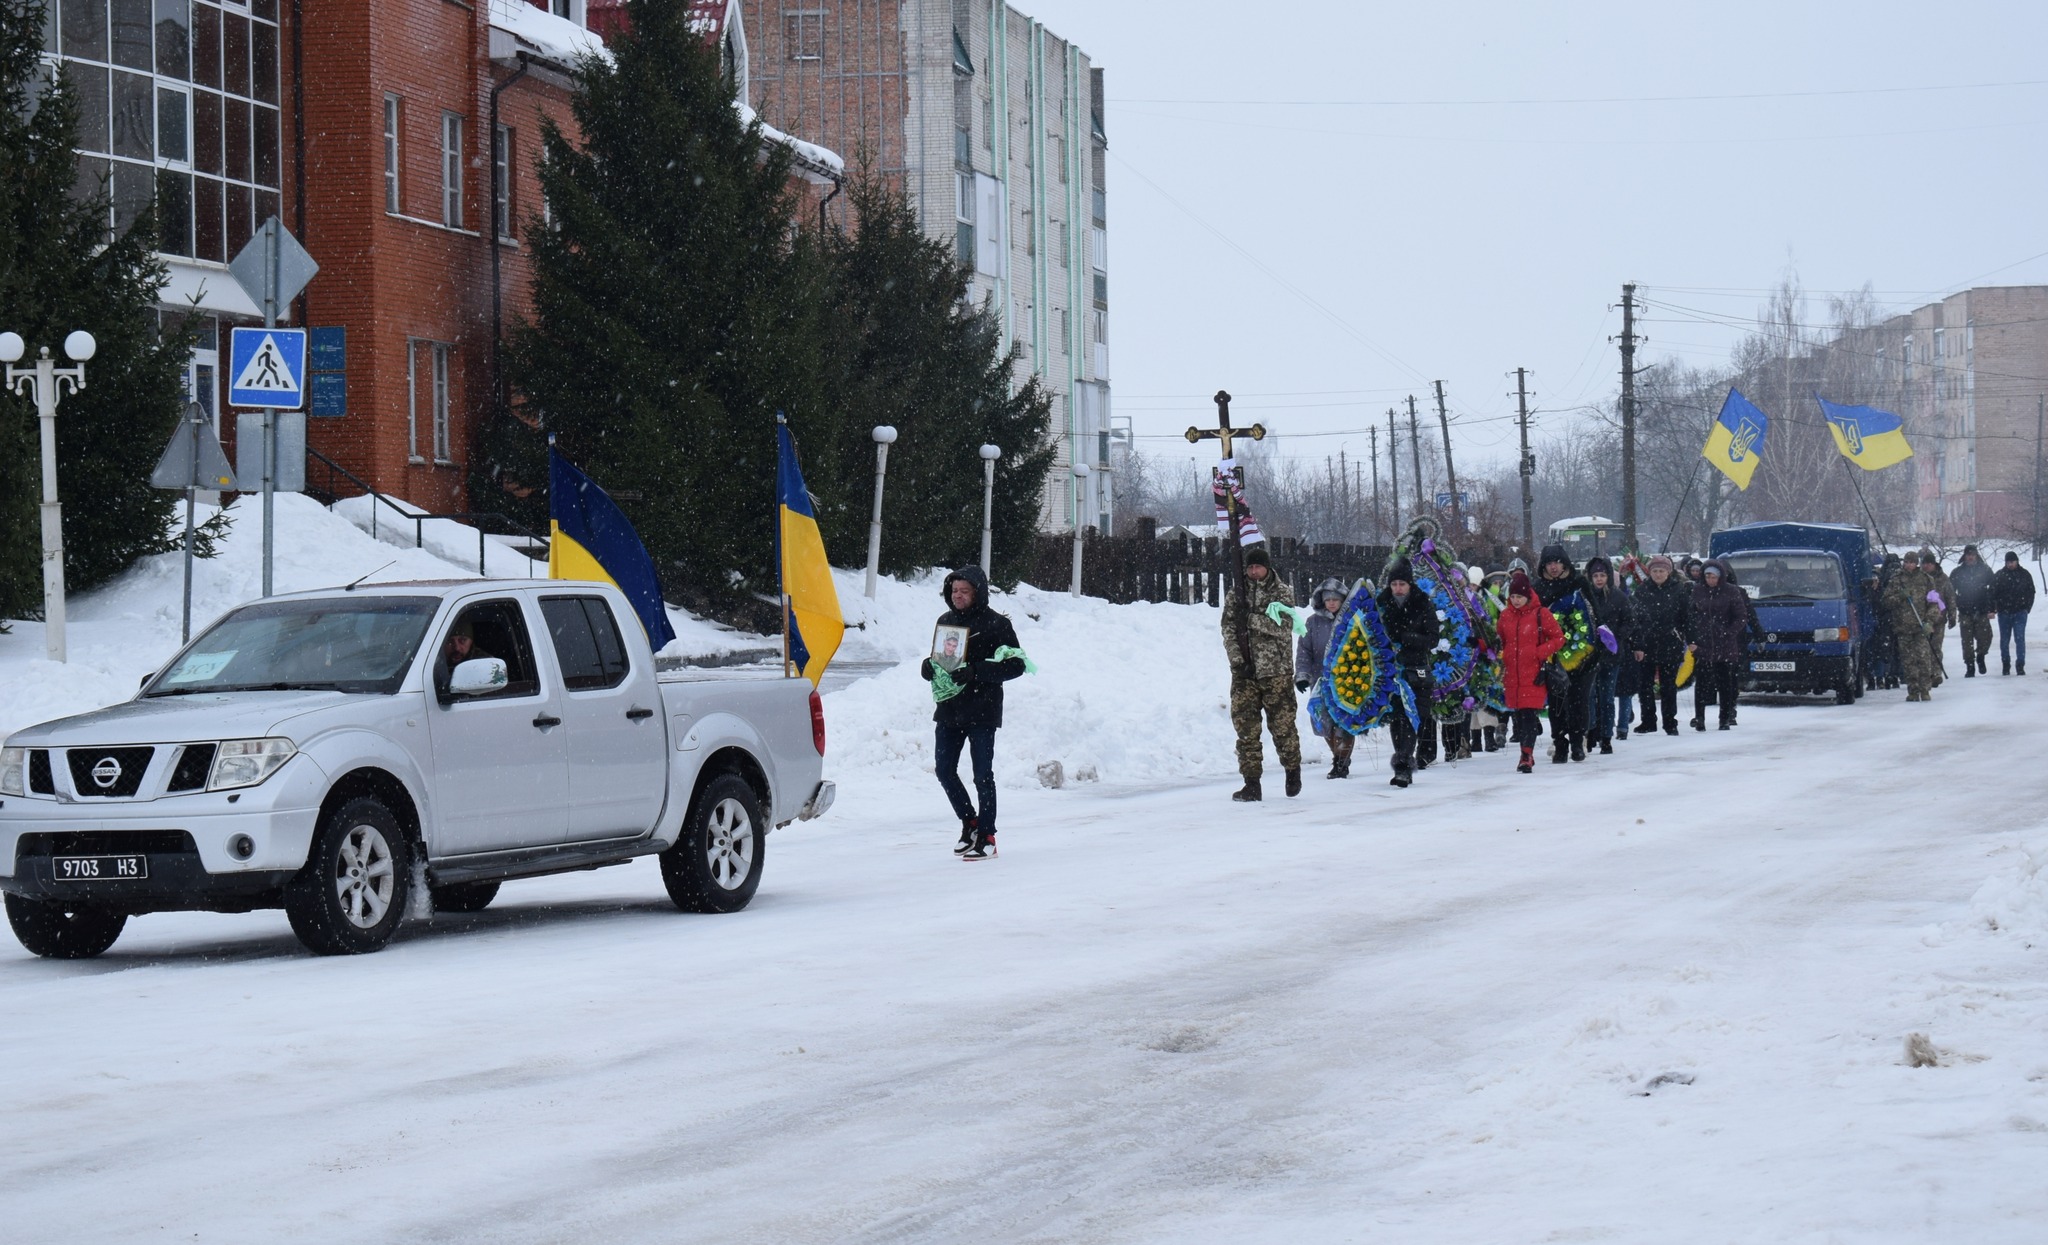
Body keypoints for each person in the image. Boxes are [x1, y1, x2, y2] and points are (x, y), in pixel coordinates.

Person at [918, 565, 1027, 859]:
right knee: (944, 770)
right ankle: (970, 823)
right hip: (949, 709)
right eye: (954, 591)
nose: (958, 596)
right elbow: (943, 660)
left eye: (964, 591)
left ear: (978, 591)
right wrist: (928, 667)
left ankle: (988, 836)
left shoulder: (997, 625)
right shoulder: (946, 621)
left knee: (982, 775)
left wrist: (977, 671)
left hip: (983, 710)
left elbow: (1016, 665)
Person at [1223, 546, 1302, 802]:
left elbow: (1284, 626)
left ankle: (1292, 769)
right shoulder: (1237, 593)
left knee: (1282, 726)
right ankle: (1251, 783)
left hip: (1275, 671)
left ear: (1267, 567)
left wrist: (1252, 620)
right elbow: (1228, 629)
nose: (1254, 572)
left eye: (1258, 567)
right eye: (1250, 567)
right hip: (1245, 674)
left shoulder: (1281, 593)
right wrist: (1238, 662)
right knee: (1246, 729)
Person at [1377, 558, 1440, 788]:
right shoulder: (1382, 604)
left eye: (1402, 584)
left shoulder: (1422, 604)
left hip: (1416, 671)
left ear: (1410, 584)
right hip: (1392, 671)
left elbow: (1433, 638)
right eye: (1394, 584)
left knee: (1412, 718)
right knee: (1397, 718)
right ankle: (1402, 763)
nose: (1398, 589)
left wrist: (1409, 638)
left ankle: (1404, 763)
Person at [1496, 569, 1565, 774]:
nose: (1516, 601)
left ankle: (1526, 755)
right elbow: (1500, 640)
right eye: (1513, 596)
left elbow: (1558, 638)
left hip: (1533, 673)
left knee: (1527, 715)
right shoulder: (1505, 616)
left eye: (1520, 596)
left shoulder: (1540, 614)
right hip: (1512, 675)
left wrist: (1539, 652)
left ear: (1528, 596)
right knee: (1519, 716)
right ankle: (1526, 753)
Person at [1533, 544, 1593, 763]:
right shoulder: (1538, 588)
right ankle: (1560, 743)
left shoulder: (1578, 584)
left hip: (1582, 653)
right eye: (1549, 563)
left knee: (1578, 701)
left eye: (1557, 562)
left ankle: (1578, 743)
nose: (1554, 567)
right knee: (1557, 703)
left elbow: (1592, 615)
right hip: (1552, 655)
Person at [1297, 578, 1354, 778]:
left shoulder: (1352, 620)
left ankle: (1341, 762)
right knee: (1323, 721)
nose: (1331, 603)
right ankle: (1338, 754)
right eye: (1327, 599)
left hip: (1348, 680)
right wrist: (1302, 675)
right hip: (1320, 680)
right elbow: (1304, 651)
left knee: (1344, 722)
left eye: (1335, 599)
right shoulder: (1312, 623)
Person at [1631, 555, 1690, 735]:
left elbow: (1687, 617)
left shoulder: (1679, 590)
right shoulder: (1642, 591)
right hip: (1646, 644)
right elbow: (1636, 620)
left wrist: (1687, 637)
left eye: (1661, 571)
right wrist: (1637, 644)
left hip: (1670, 643)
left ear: (1668, 572)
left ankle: (1670, 722)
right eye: (1655, 571)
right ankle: (1648, 720)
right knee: (1645, 686)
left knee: (1668, 686)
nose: (1658, 574)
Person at [1582, 556, 1633, 755]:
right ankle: (1592, 730)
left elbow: (1629, 621)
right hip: (1590, 655)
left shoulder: (1618, 597)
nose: (1599, 579)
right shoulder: (1585, 597)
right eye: (1595, 575)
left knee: (1607, 697)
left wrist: (1616, 637)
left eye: (1603, 575)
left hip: (1611, 655)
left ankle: (1606, 736)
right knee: (1590, 696)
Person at [1689, 559, 1748, 730]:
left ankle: (1725, 717)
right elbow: (1690, 615)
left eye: (1714, 576)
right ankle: (1700, 718)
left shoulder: (1731, 591)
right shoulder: (1698, 590)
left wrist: (1729, 632)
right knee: (1701, 683)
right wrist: (1692, 638)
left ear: (1721, 576)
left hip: (1725, 644)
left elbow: (1741, 616)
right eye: (1707, 576)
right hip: (1703, 644)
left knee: (1725, 683)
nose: (1710, 580)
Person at [1881, 550, 1944, 701]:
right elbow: (1886, 601)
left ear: (1917, 564)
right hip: (1903, 627)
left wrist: (1929, 621)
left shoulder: (1926, 580)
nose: (1909, 565)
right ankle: (1913, 690)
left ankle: (1925, 689)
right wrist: (1900, 597)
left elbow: (1934, 603)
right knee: (1908, 661)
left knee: (1923, 659)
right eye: (1907, 562)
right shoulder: (1897, 580)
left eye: (1912, 562)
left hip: (1921, 627)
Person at [1949, 545, 1995, 677]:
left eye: (1972, 554)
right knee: (1967, 641)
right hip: (1965, 610)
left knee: (1985, 637)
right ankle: (1970, 665)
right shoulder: (1957, 572)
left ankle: (1981, 655)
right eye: (1968, 555)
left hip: (1981, 609)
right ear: (1964, 556)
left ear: (1976, 555)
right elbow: (1950, 591)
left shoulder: (1985, 570)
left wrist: (1992, 607)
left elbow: (1993, 589)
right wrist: (1957, 602)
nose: (1970, 557)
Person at [1993, 550, 2035, 675]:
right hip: (2004, 612)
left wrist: (2027, 607)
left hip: (2020, 612)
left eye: (2012, 562)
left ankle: (2020, 664)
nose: (2010, 564)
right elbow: (1993, 593)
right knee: (2004, 640)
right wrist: (1995, 607)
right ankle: (2006, 664)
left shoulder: (2024, 575)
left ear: (2017, 561)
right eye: (2008, 562)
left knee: (2019, 638)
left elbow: (2031, 591)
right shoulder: (2000, 575)